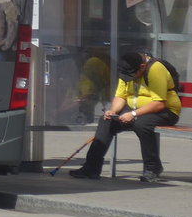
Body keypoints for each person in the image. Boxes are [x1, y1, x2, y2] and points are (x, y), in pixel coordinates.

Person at [70, 51, 181, 183]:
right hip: (135, 110)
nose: (130, 78)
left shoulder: (156, 69)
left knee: (142, 125)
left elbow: (159, 103)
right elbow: (121, 96)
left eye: (133, 75)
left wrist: (133, 114)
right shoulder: (127, 71)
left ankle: (152, 168)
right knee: (106, 121)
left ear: (142, 67)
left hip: (166, 111)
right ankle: (91, 167)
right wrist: (112, 111)